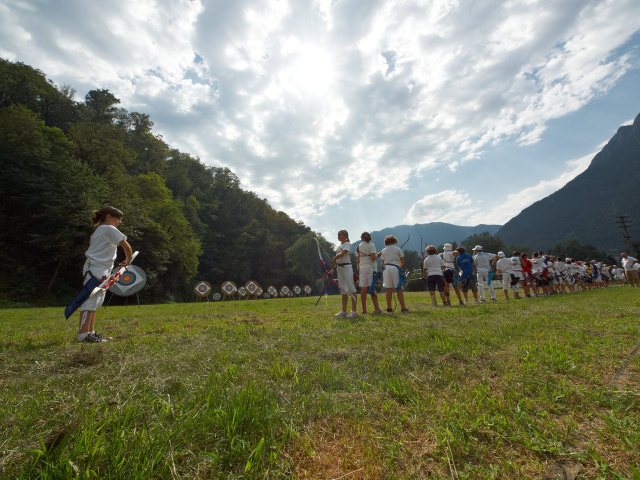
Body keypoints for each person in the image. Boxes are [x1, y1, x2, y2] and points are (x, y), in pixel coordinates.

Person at [78, 206, 133, 343]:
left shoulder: (102, 230)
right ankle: (83, 335)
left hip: (100, 269)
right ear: (108, 217)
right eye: (118, 219)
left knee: (96, 301)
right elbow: (126, 246)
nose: (119, 222)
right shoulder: (108, 229)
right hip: (96, 269)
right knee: (90, 300)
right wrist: (129, 260)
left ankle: (90, 332)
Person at [331, 230, 358, 317]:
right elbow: (339, 260)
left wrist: (333, 258)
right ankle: (344, 310)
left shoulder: (347, 244)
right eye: (338, 235)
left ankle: (353, 311)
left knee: (351, 288)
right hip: (340, 268)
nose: (338, 236)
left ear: (345, 235)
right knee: (343, 290)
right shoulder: (340, 246)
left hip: (346, 268)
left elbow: (342, 254)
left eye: (340, 235)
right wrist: (333, 269)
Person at [380, 235, 409, 312]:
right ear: (394, 241)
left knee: (388, 289)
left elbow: (383, 263)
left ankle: (389, 308)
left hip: (386, 269)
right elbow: (402, 261)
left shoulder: (383, 250)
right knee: (398, 288)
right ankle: (403, 307)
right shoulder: (398, 249)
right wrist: (399, 266)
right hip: (395, 268)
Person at [356, 232, 382, 314]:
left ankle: (364, 309)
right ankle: (377, 309)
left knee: (363, 288)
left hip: (362, 269)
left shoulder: (358, 246)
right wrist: (379, 254)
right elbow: (373, 258)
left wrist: (359, 267)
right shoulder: (371, 245)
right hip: (371, 268)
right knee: (372, 288)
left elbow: (358, 259)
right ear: (370, 238)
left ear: (361, 238)